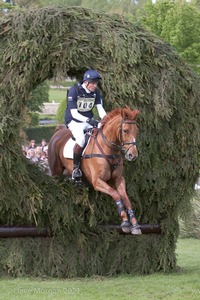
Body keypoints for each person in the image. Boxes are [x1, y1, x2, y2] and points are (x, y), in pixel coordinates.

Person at [65, 69, 107, 181]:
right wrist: (90, 121)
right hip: (74, 121)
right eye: (93, 83)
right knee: (81, 140)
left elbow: (100, 109)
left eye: (96, 83)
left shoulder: (96, 92)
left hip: (88, 120)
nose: (95, 86)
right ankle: (76, 169)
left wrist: (106, 119)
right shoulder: (74, 90)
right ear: (86, 82)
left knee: (101, 135)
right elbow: (74, 113)